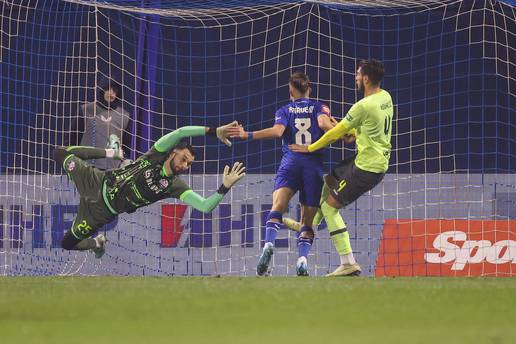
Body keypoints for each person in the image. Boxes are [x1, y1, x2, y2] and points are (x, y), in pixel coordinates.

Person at [53, 122, 245, 259]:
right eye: (184, 159)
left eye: (189, 164)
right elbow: (180, 132)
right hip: (97, 181)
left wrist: (224, 187)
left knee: (67, 243)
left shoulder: (175, 186)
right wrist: (214, 131)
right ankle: (112, 152)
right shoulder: (157, 154)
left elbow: (205, 206)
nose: (185, 165)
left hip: (101, 212)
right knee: (60, 152)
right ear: (173, 152)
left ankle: (97, 244)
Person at [289, 59, 393, 276]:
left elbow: (334, 134)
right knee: (329, 181)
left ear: (365, 78)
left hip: (367, 168)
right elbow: (369, 129)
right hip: (369, 158)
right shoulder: (385, 97)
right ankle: (307, 226)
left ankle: (348, 262)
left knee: (329, 207)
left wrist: (310, 148)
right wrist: (353, 133)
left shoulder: (363, 106)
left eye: (357, 74)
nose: (355, 77)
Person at [228, 72, 336, 276]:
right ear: (309, 88)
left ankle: (269, 244)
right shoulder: (319, 107)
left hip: (291, 162)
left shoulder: (285, 109)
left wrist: (246, 134)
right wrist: (341, 129)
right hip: (314, 166)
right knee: (307, 221)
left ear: (291, 91)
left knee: (277, 206)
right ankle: (302, 260)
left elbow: (278, 132)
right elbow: (324, 125)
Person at [77, 78, 130, 170]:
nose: (111, 93)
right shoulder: (86, 110)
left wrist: (124, 160)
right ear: (102, 90)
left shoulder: (124, 115)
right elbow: (73, 136)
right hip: (88, 167)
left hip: (113, 168)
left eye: (114, 90)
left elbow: (126, 143)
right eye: (108, 89)